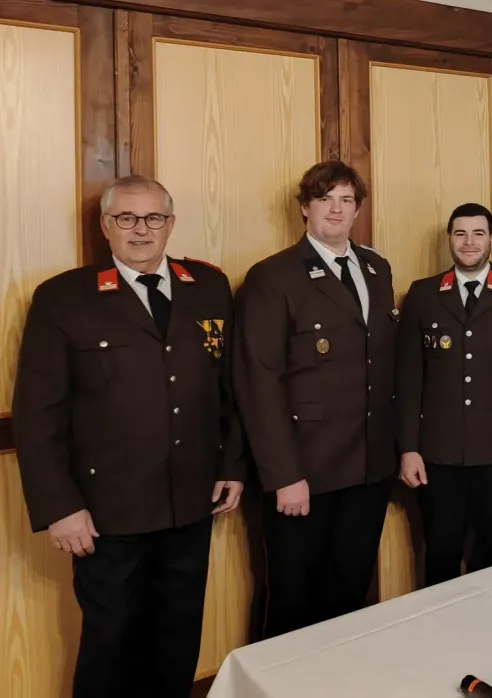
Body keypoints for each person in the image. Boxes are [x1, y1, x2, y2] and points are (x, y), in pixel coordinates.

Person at [13, 175, 244, 698]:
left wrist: (232, 466)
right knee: (110, 642)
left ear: (170, 223)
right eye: (126, 218)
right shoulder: (64, 298)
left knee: (179, 637)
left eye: (153, 218)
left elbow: (227, 391)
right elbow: (38, 413)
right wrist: (59, 507)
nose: (141, 230)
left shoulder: (207, 286)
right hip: (107, 512)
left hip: (191, 501)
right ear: (105, 226)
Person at [234, 160, 399, 637]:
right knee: (291, 598)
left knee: (349, 593)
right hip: (304, 473)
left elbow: (382, 368)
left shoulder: (376, 267)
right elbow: (258, 382)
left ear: (357, 210)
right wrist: (284, 475)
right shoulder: (273, 277)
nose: (337, 209)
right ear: (305, 207)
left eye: (347, 200)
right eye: (326, 199)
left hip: (367, 467)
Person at [396, 202, 492, 585]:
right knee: (441, 557)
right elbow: (409, 379)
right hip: (437, 458)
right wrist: (408, 448)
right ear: (449, 239)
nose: (469, 242)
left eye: (479, 233)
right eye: (460, 233)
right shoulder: (424, 294)